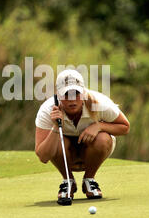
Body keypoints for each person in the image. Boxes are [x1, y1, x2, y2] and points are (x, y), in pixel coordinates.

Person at [35, 69, 130, 205]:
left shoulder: (99, 103)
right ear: (58, 95)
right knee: (56, 140)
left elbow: (125, 127)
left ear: (84, 93)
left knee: (103, 138)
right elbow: (43, 156)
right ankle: (68, 182)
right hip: (66, 155)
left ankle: (89, 180)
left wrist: (99, 126)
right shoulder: (47, 110)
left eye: (76, 94)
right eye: (67, 95)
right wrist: (56, 127)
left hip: (91, 151)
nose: (72, 100)